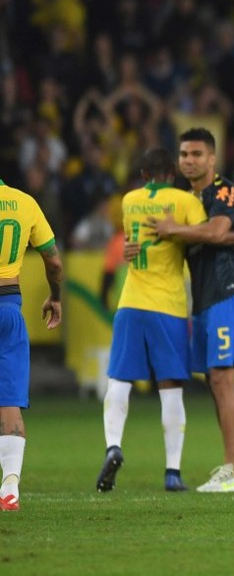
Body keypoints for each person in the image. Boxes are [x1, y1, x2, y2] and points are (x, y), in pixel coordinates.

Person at [145, 129, 234, 492]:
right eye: (184, 154)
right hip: (205, 298)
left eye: (196, 154)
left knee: (223, 379)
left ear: (212, 159)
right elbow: (233, 232)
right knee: (214, 381)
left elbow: (220, 229)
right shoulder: (181, 199)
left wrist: (176, 229)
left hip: (227, 293)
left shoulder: (223, 190)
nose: (188, 160)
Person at [96, 148, 207, 494]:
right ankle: (172, 471)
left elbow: (132, 243)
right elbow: (204, 239)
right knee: (171, 387)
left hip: (130, 301)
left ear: (143, 173)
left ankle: (113, 444)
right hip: (168, 304)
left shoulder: (130, 200)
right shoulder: (185, 201)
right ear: (172, 174)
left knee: (120, 379)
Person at [0, 176, 63, 511]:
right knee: (9, 402)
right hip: (8, 308)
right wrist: (55, 297)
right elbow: (53, 260)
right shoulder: (24, 202)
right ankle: (10, 487)